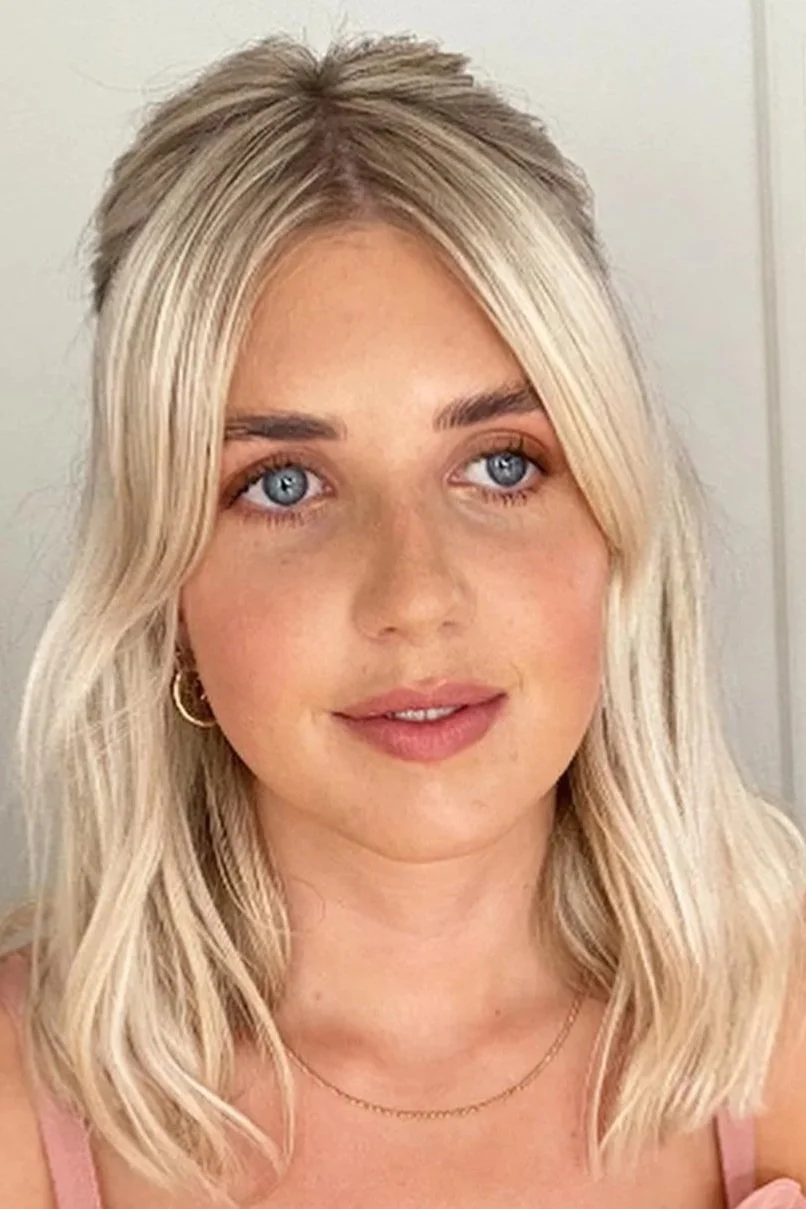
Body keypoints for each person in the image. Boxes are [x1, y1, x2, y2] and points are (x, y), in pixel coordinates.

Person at [0, 29, 805, 1209]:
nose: (415, 598)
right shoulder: (21, 1110)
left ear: (611, 525)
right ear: (164, 587)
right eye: (283, 484)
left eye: (499, 465)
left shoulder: (782, 1032)